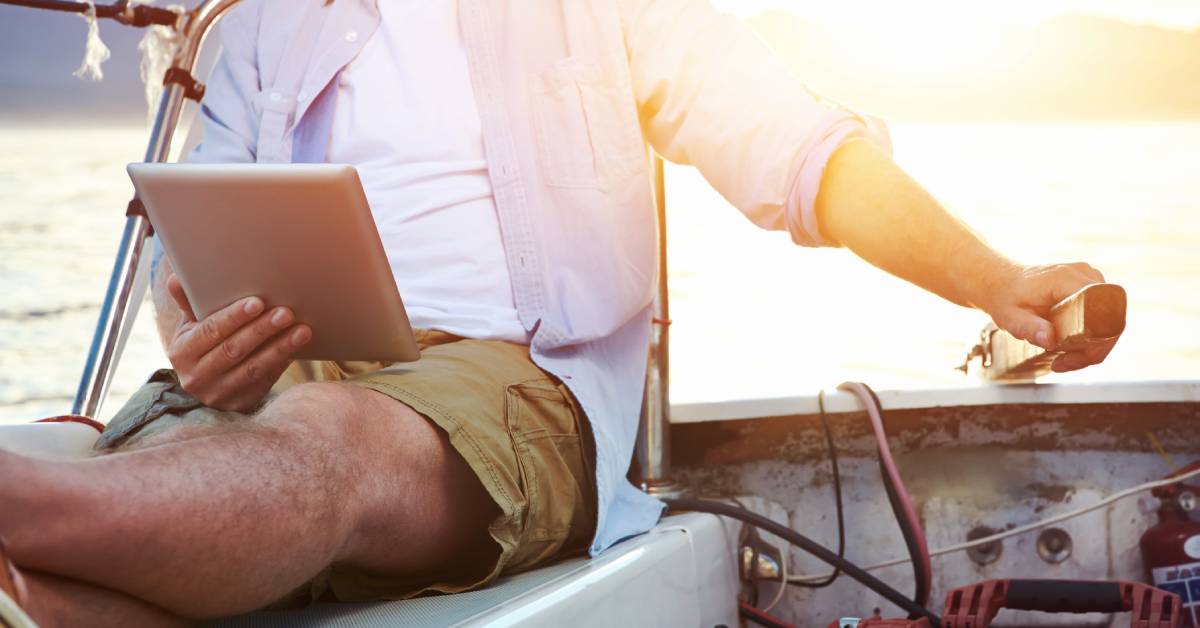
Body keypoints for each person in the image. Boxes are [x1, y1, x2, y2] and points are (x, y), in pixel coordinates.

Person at [0, 0, 1118, 625]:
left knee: (330, 441)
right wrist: (198, 336)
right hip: (290, 383)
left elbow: (806, 154)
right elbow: (188, 243)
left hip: (506, 391)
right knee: (68, 559)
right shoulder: (258, 28)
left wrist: (993, 279)